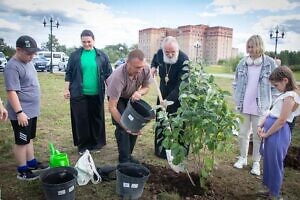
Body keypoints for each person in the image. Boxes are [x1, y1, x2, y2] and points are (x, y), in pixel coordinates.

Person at [3, 35, 48, 180]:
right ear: (18, 50)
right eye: (29, 53)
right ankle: (22, 170)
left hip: (31, 111)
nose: (32, 56)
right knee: (21, 141)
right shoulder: (12, 66)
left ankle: (31, 162)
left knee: (29, 138)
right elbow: (11, 92)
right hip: (21, 113)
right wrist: (19, 112)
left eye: (33, 53)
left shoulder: (28, 61)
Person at [232, 35, 278, 176]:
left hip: (261, 107)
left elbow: (276, 88)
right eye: (248, 47)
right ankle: (243, 158)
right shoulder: (242, 63)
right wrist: (236, 96)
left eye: (252, 47)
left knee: (258, 136)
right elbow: (235, 82)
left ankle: (256, 163)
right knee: (242, 134)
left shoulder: (270, 64)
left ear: (259, 46)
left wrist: (270, 105)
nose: (249, 50)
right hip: (244, 105)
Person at [64, 30, 112, 155]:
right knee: (82, 119)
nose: (86, 44)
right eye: (84, 42)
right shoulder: (75, 56)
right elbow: (68, 73)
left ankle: (96, 143)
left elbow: (108, 75)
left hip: (97, 93)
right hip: (79, 93)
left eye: (89, 41)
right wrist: (66, 89)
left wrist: (111, 92)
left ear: (94, 41)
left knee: (96, 118)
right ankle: (83, 146)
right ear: (81, 41)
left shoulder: (102, 56)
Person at [257, 66, 300, 199]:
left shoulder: (290, 96)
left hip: (278, 133)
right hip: (272, 132)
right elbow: (272, 112)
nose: (275, 88)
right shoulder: (284, 95)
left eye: (276, 85)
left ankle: (274, 193)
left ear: (285, 80)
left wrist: (267, 133)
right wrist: (261, 124)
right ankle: (270, 189)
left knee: (275, 163)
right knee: (269, 161)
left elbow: (281, 120)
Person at [107, 49, 151, 163]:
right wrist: (125, 125)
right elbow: (112, 107)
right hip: (118, 98)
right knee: (124, 127)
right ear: (127, 63)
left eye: (141, 67)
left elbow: (146, 87)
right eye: (137, 67)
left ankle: (128, 155)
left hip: (132, 95)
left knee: (135, 124)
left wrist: (139, 92)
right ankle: (124, 160)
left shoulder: (145, 69)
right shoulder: (117, 78)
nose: (140, 70)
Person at [150, 36, 189, 159]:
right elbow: (155, 60)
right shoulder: (161, 53)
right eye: (167, 52)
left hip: (177, 95)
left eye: (173, 52)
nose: (170, 55)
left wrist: (169, 100)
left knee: (176, 123)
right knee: (162, 121)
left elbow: (182, 85)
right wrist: (153, 67)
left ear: (177, 49)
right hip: (162, 91)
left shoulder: (184, 59)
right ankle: (162, 150)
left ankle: (177, 152)